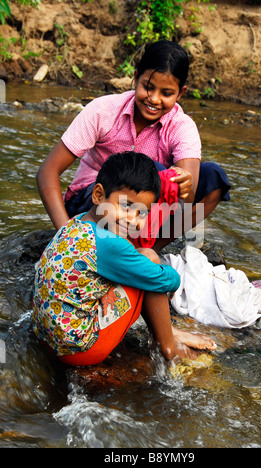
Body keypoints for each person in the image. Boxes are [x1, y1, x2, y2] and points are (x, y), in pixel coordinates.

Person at [36, 40, 230, 250]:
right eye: (148, 87)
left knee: (213, 177)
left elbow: (186, 202)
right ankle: (114, 250)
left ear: (180, 93)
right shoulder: (104, 111)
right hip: (91, 203)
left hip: (143, 216)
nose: (154, 99)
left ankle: (147, 252)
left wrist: (184, 186)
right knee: (151, 170)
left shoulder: (183, 127)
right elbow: (48, 171)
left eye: (166, 93)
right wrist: (66, 235)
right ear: (136, 78)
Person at [33, 152, 217, 367]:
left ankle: (167, 332)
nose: (133, 220)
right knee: (149, 260)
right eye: (127, 206)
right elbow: (164, 281)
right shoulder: (108, 242)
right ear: (98, 195)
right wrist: (173, 278)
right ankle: (168, 345)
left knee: (141, 260)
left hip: (49, 338)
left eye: (143, 213)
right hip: (80, 350)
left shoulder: (78, 222)